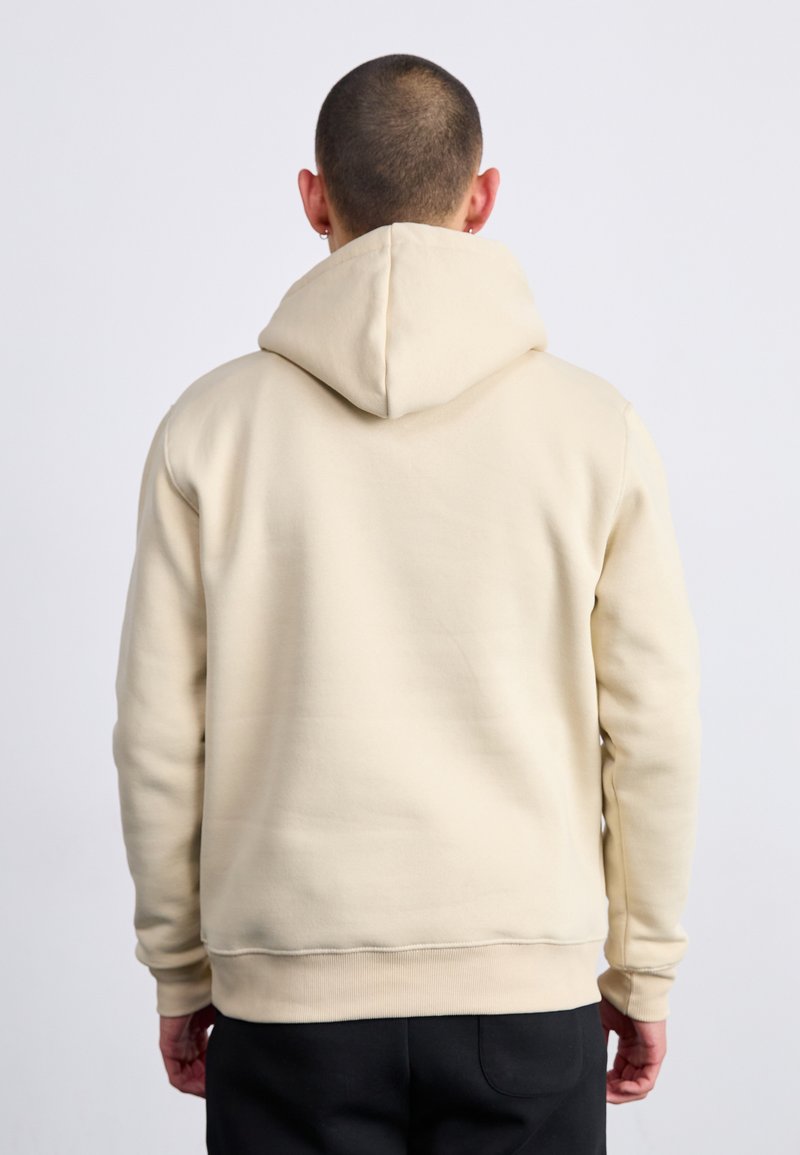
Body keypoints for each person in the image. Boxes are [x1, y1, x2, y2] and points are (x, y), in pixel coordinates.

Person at [112, 52, 702, 1154]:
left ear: (313, 198)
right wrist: (643, 969)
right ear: (482, 197)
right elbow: (653, 727)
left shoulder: (209, 429)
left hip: (286, 1006)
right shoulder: (595, 430)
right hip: (525, 995)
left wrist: (179, 968)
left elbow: (155, 732)